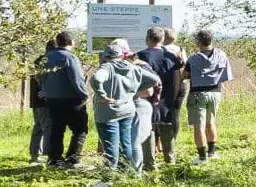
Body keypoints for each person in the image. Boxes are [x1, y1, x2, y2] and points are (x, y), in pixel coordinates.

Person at [88, 39, 159, 176]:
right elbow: (154, 80)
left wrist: (102, 94)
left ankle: (108, 178)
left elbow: (96, 79)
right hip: (127, 110)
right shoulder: (131, 67)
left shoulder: (107, 67)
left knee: (111, 146)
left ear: (105, 56)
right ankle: (127, 172)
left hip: (108, 113)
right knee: (126, 143)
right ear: (121, 55)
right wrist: (133, 90)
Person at [35, 32, 90, 167]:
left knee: (57, 130)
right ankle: (73, 159)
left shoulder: (47, 57)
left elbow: (40, 77)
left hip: (53, 100)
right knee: (80, 130)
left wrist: (46, 91)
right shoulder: (70, 58)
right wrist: (84, 94)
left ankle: (54, 159)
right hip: (72, 99)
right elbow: (76, 78)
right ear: (72, 42)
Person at [136, 27, 185, 168]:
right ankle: (170, 161)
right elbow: (177, 80)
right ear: (162, 39)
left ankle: (149, 164)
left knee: (148, 130)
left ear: (147, 38)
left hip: (147, 99)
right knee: (167, 129)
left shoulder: (140, 57)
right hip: (167, 99)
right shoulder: (172, 57)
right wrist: (173, 99)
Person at [184, 30, 232, 161]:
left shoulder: (193, 58)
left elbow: (185, 76)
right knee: (211, 123)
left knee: (198, 126)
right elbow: (226, 76)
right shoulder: (221, 55)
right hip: (215, 93)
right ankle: (212, 153)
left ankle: (201, 157)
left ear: (198, 42)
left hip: (197, 94)